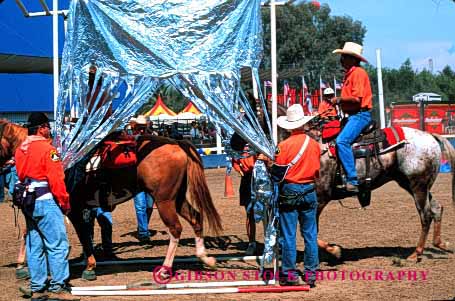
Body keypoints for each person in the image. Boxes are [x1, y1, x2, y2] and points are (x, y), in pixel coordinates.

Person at [15, 112, 72, 299]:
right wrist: (64, 201)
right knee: (57, 244)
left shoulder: (20, 149)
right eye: (48, 126)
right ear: (42, 128)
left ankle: (37, 286)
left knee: (35, 245)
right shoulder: (49, 150)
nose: (49, 130)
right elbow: (56, 179)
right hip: (46, 200)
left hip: (28, 201)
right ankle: (58, 287)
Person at [269, 104, 320, 287]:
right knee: (310, 234)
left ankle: (290, 274)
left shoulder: (282, 146)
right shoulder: (314, 145)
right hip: (310, 190)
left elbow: (277, 172)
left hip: (290, 190)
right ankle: (311, 273)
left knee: (289, 235)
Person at [332, 42, 373, 192]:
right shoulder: (349, 74)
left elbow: (356, 98)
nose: (341, 59)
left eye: (344, 57)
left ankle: (352, 179)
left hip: (360, 115)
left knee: (342, 141)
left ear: (353, 59)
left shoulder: (358, 73)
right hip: (353, 115)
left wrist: (339, 100)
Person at [230, 133, 257, 255]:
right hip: (246, 180)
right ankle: (252, 243)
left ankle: (269, 243)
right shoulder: (238, 148)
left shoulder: (256, 145)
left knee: (268, 213)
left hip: (259, 178)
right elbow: (235, 163)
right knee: (249, 213)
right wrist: (241, 172)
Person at [131, 117, 155, 242]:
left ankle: (143, 226)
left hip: (150, 178)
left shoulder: (152, 138)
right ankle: (143, 232)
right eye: (139, 127)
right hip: (137, 179)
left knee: (149, 206)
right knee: (141, 206)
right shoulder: (131, 140)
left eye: (142, 127)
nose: (140, 130)